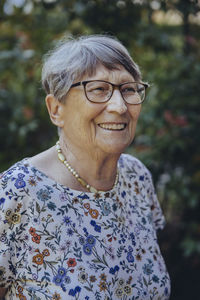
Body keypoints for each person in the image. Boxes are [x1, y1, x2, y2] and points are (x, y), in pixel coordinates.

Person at [0, 35, 170, 300]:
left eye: (128, 89)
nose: (119, 106)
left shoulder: (137, 177)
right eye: (99, 89)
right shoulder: (16, 193)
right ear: (56, 109)